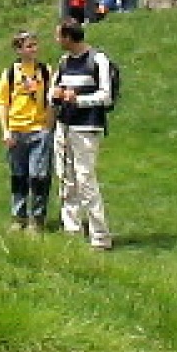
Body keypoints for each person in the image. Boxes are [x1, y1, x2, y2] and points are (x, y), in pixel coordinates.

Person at [50, 20, 115, 251]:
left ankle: (100, 236)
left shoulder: (98, 60)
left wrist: (78, 99)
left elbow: (106, 96)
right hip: (64, 125)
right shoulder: (64, 62)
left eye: (59, 36)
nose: (57, 41)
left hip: (86, 127)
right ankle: (72, 230)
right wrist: (56, 95)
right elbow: (53, 93)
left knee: (85, 179)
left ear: (69, 37)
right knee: (66, 178)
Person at [0, 30, 54, 231]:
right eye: (28, 46)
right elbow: (3, 103)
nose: (33, 49)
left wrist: (48, 125)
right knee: (18, 176)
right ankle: (18, 217)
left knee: (39, 176)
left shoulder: (45, 71)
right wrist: (6, 130)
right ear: (18, 49)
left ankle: (37, 219)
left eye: (35, 45)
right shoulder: (10, 73)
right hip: (16, 130)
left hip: (39, 130)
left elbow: (52, 100)